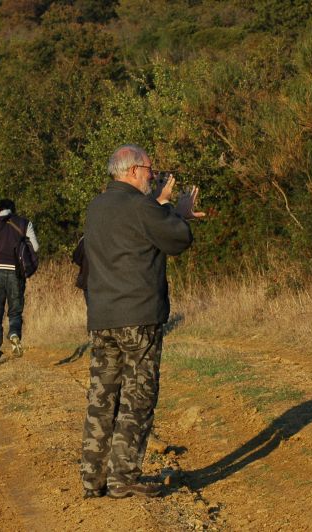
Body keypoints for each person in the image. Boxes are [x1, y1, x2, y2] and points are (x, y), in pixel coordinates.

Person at [80, 144, 203, 499]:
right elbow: (178, 239)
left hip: (102, 318)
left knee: (101, 398)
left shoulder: (96, 207)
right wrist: (179, 212)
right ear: (133, 171)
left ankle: (93, 478)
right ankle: (124, 476)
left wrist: (161, 208)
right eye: (151, 169)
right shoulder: (141, 205)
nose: (154, 175)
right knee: (138, 396)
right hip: (139, 317)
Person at [0, 199, 40, 366]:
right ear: (13, 210)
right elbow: (35, 247)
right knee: (15, 312)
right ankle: (14, 334)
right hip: (16, 273)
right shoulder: (25, 223)